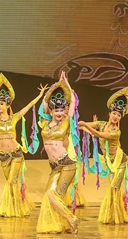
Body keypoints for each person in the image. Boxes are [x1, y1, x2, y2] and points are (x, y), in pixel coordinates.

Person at [0, 73, 44, 218]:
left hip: (16, 154)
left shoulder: (14, 117)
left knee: (11, 181)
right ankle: (17, 207)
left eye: (1, 104)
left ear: (8, 105)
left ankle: (11, 209)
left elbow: (29, 106)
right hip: (3, 156)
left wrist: (40, 95)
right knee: (11, 183)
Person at [79, 87, 128, 224]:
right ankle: (117, 214)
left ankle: (118, 216)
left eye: (119, 115)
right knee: (113, 188)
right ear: (110, 113)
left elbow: (100, 135)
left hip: (120, 162)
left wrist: (85, 126)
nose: (116, 116)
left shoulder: (116, 131)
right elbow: (86, 126)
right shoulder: (101, 124)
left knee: (114, 188)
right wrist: (75, 124)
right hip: (109, 161)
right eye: (114, 113)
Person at [36, 72, 80, 233]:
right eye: (56, 111)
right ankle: (66, 223)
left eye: (62, 110)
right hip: (54, 167)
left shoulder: (66, 122)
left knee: (55, 195)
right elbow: (44, 102)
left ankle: (70, 219)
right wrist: (54, 87)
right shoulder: (45, 122)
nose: (60, 113)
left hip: (67, 164)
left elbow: (73, 101)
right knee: (50, 195)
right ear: (51, 111)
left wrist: (66, 83)